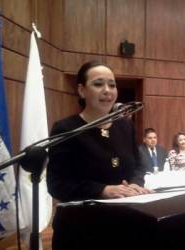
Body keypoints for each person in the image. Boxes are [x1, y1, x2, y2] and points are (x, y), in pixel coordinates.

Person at [47, 61, 151, 250]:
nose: (107, 90)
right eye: (98, 84)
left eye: (112, 85)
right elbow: (57, 184)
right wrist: (102, 190)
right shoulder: (66, 129)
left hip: (124, 224)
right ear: (81, 90)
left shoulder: (125, 125)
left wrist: (136, 183)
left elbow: (139, 165)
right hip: (81, 230)